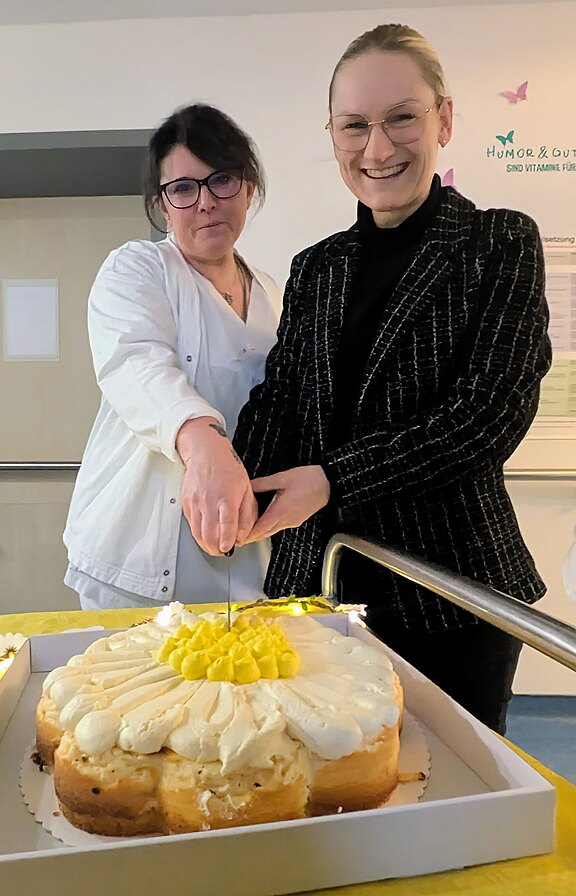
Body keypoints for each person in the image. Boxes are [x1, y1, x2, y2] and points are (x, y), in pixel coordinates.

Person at [229, 24, 551, 734]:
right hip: (315, 593)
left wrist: (333, 480)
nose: (377, 149)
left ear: (444, 119)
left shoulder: (498, 242)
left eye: (401, 117)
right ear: (334, 134)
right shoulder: (317, 267)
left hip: (450, 598)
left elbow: (485, 418)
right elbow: (281, 398)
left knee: (451, 790)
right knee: (327, 783)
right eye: (354, 125)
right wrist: (231, 474)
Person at [63, 104, 281, 610]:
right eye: (183, 188)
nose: (205, 202)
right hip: (131, 558)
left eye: (221, 180)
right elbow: (136, 363)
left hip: (240, 559)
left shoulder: (273, 294)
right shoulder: (136, 269)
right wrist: (202, 444)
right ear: (164, 205)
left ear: (247, 189)